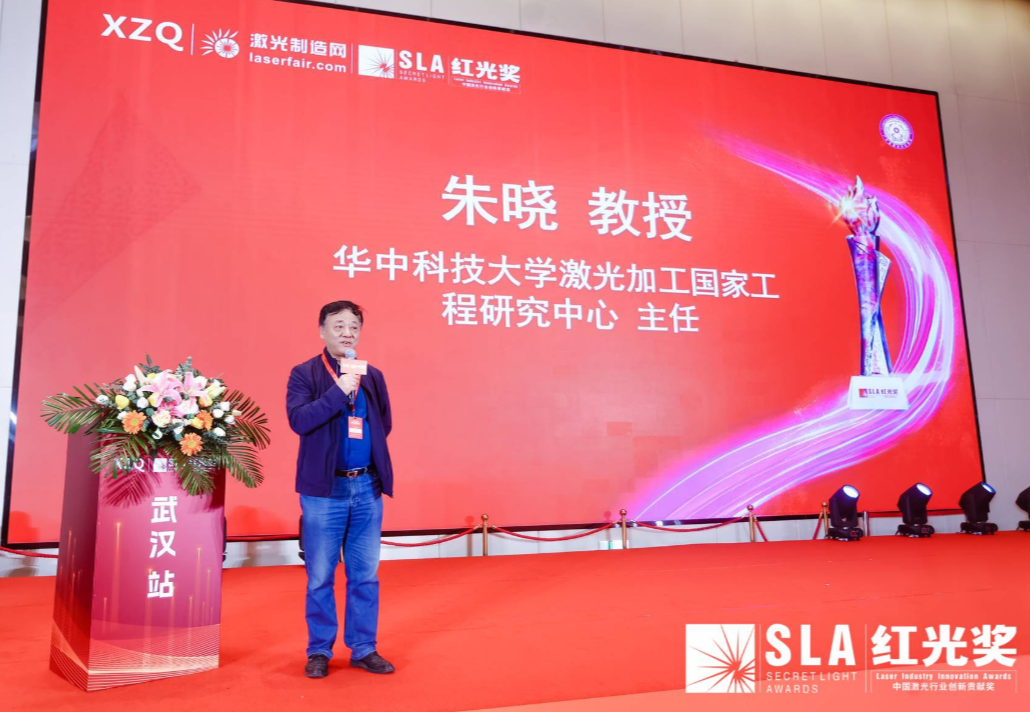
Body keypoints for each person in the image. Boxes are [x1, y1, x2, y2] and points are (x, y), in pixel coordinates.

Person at [286, 300, 396, 679]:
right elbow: (299, 421)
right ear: (322, 331)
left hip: (366, 486)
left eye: (353, 327)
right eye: (339, 326)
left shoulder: (372, 375)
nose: (347, 333)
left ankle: (364, 648)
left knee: (365, 575)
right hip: (324, 491)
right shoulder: (305, 374)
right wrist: (338, 392)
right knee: (320, 576)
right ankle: (319, 650)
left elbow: (383, 423)